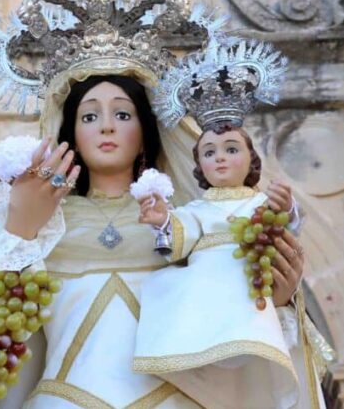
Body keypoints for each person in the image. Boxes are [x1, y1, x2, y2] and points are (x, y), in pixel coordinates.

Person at [0, 0, 326, 408]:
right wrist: (19, 232)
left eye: (122, 114)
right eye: (88, 117)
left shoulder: (183, 219)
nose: (105, 126)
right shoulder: (44, 224)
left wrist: (277, 301)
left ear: (146, 130)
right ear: (70, 132)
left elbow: (228, 307)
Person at [132, 120, 314, 409]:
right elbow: (181, 235)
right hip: (206, 283)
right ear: (199, 165)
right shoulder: (197, 209)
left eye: (231, 149)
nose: (219, 157)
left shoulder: (261, 203)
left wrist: (286, 207)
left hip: (247, 279)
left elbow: (285, 229)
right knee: (163, 287)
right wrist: (163, 220)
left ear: (252, 160)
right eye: (209, 152)